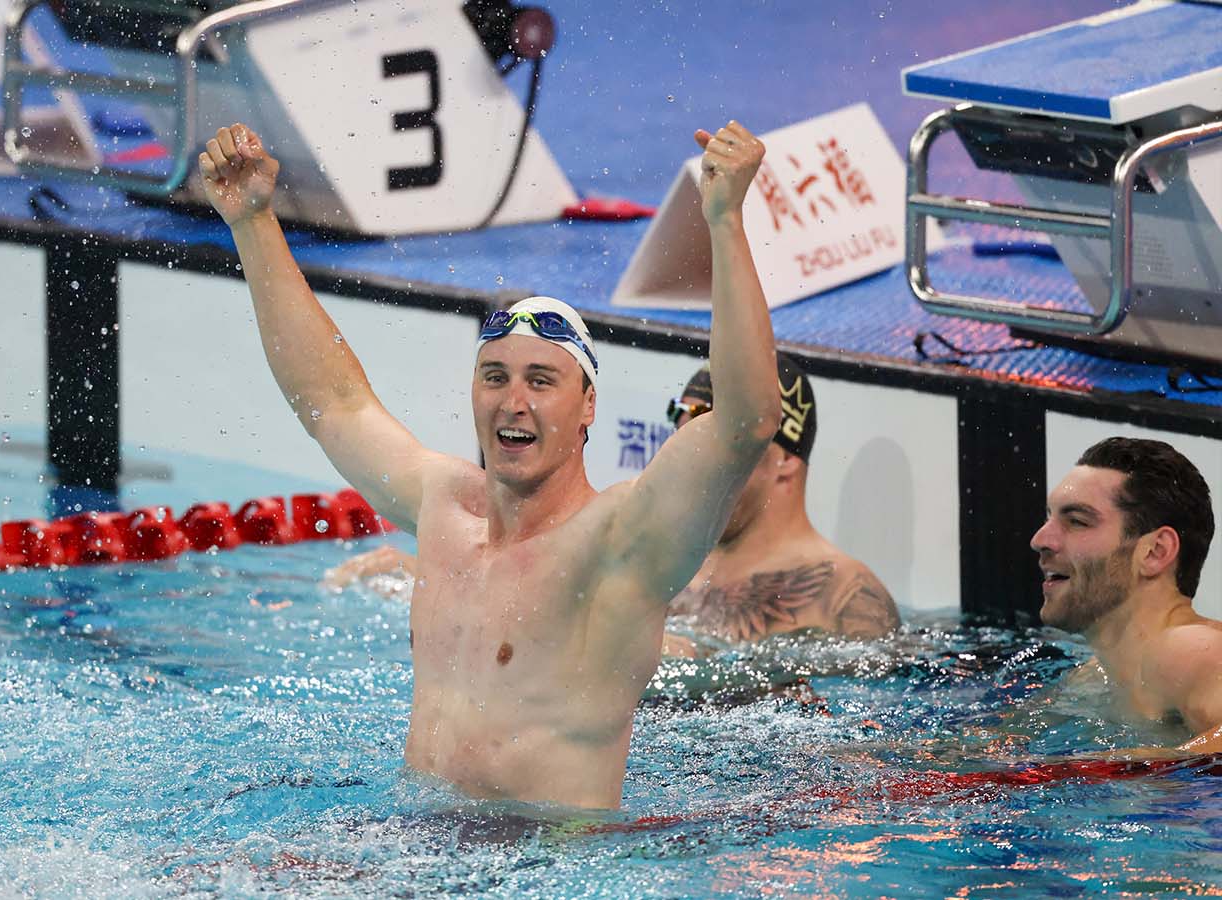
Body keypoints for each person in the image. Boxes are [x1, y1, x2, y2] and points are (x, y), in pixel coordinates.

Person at [199, 120, 781, 810]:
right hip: (416, 837)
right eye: (495, 377)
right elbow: (333, 402)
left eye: (542, 381)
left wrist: (725, 222)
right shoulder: (445, 506)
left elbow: (746, 422)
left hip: (547, 854)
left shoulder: (620, 543)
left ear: (588, 406)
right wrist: (253, 223)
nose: (514, 402)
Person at [327, 355, 900, 654]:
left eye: (711, 430)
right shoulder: (662, 550)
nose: (689, 448)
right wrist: (436, 574)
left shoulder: (844, 593)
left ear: (785, 458)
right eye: (681, 423)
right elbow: (548, 599)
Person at [662, 356, 898, 653]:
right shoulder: (665, 567)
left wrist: (690, 658)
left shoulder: (844, 596)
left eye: (716, 440)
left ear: (785, 459)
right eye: (685, 442)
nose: (689, 462)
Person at [1030, 437, 1221, 752]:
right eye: (1049, 517)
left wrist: (1136, 766)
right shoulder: (1090, 679)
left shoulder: (1192, 650)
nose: (1040, 539)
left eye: (1077, 521)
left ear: (1155, 552)